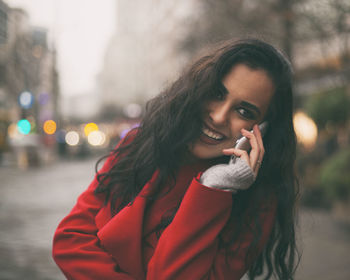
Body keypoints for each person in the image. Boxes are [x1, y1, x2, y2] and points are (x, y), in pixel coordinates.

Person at [52, 38, 299, 280]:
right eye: (216, 93)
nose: (219, 116)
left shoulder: (258, 201)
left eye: (244, 111)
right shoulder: (141, 143)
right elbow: (69, 240)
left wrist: (212, 188)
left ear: (263, 129)